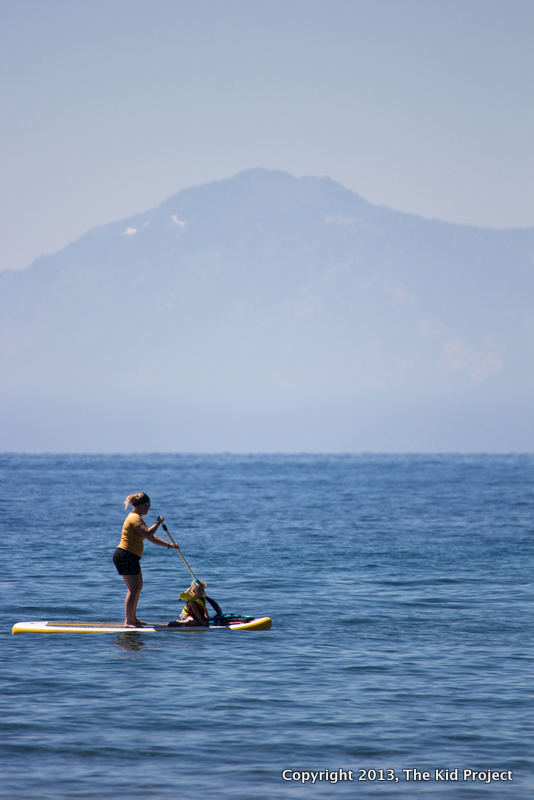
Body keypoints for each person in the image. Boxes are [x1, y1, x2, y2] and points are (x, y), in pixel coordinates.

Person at [113, 492, 178, 627]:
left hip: (130, 557)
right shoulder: (135, 518)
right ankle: (128, 621)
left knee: (137, 588)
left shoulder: (138, 518)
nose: (149, 508)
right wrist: (157, 522)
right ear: (142, 505)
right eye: (148, 505)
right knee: (133, 589)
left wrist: (169, 545)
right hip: (125, 555)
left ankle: (133, 618)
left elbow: (151, 538)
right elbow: (148, 532)